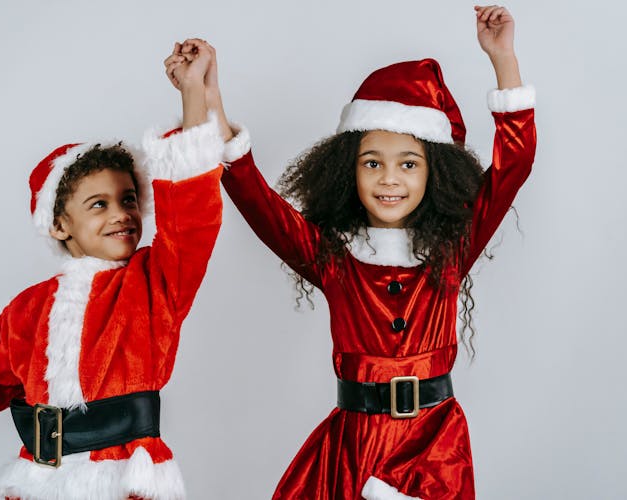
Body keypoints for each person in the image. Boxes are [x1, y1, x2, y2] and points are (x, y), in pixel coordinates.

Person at [165, 5, 536, 499]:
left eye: (408, 164)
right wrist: (211, 98)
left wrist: (503, 59)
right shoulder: (334, 257)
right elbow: (256, 198)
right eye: (371, 163)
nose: (389, 179)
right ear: (348, 172)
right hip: (352, 446)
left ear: (435, 175)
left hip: (433, 449)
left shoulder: (453, 249)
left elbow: (514, 163)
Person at [0, 42, 225, 500]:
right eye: (99, 204)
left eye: (129, 199)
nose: (122, 214)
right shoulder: (29, 309)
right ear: (58, 224)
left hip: (125, 481)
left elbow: (191, 218)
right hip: (40, 483)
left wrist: (193, 92)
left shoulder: (154, 283)